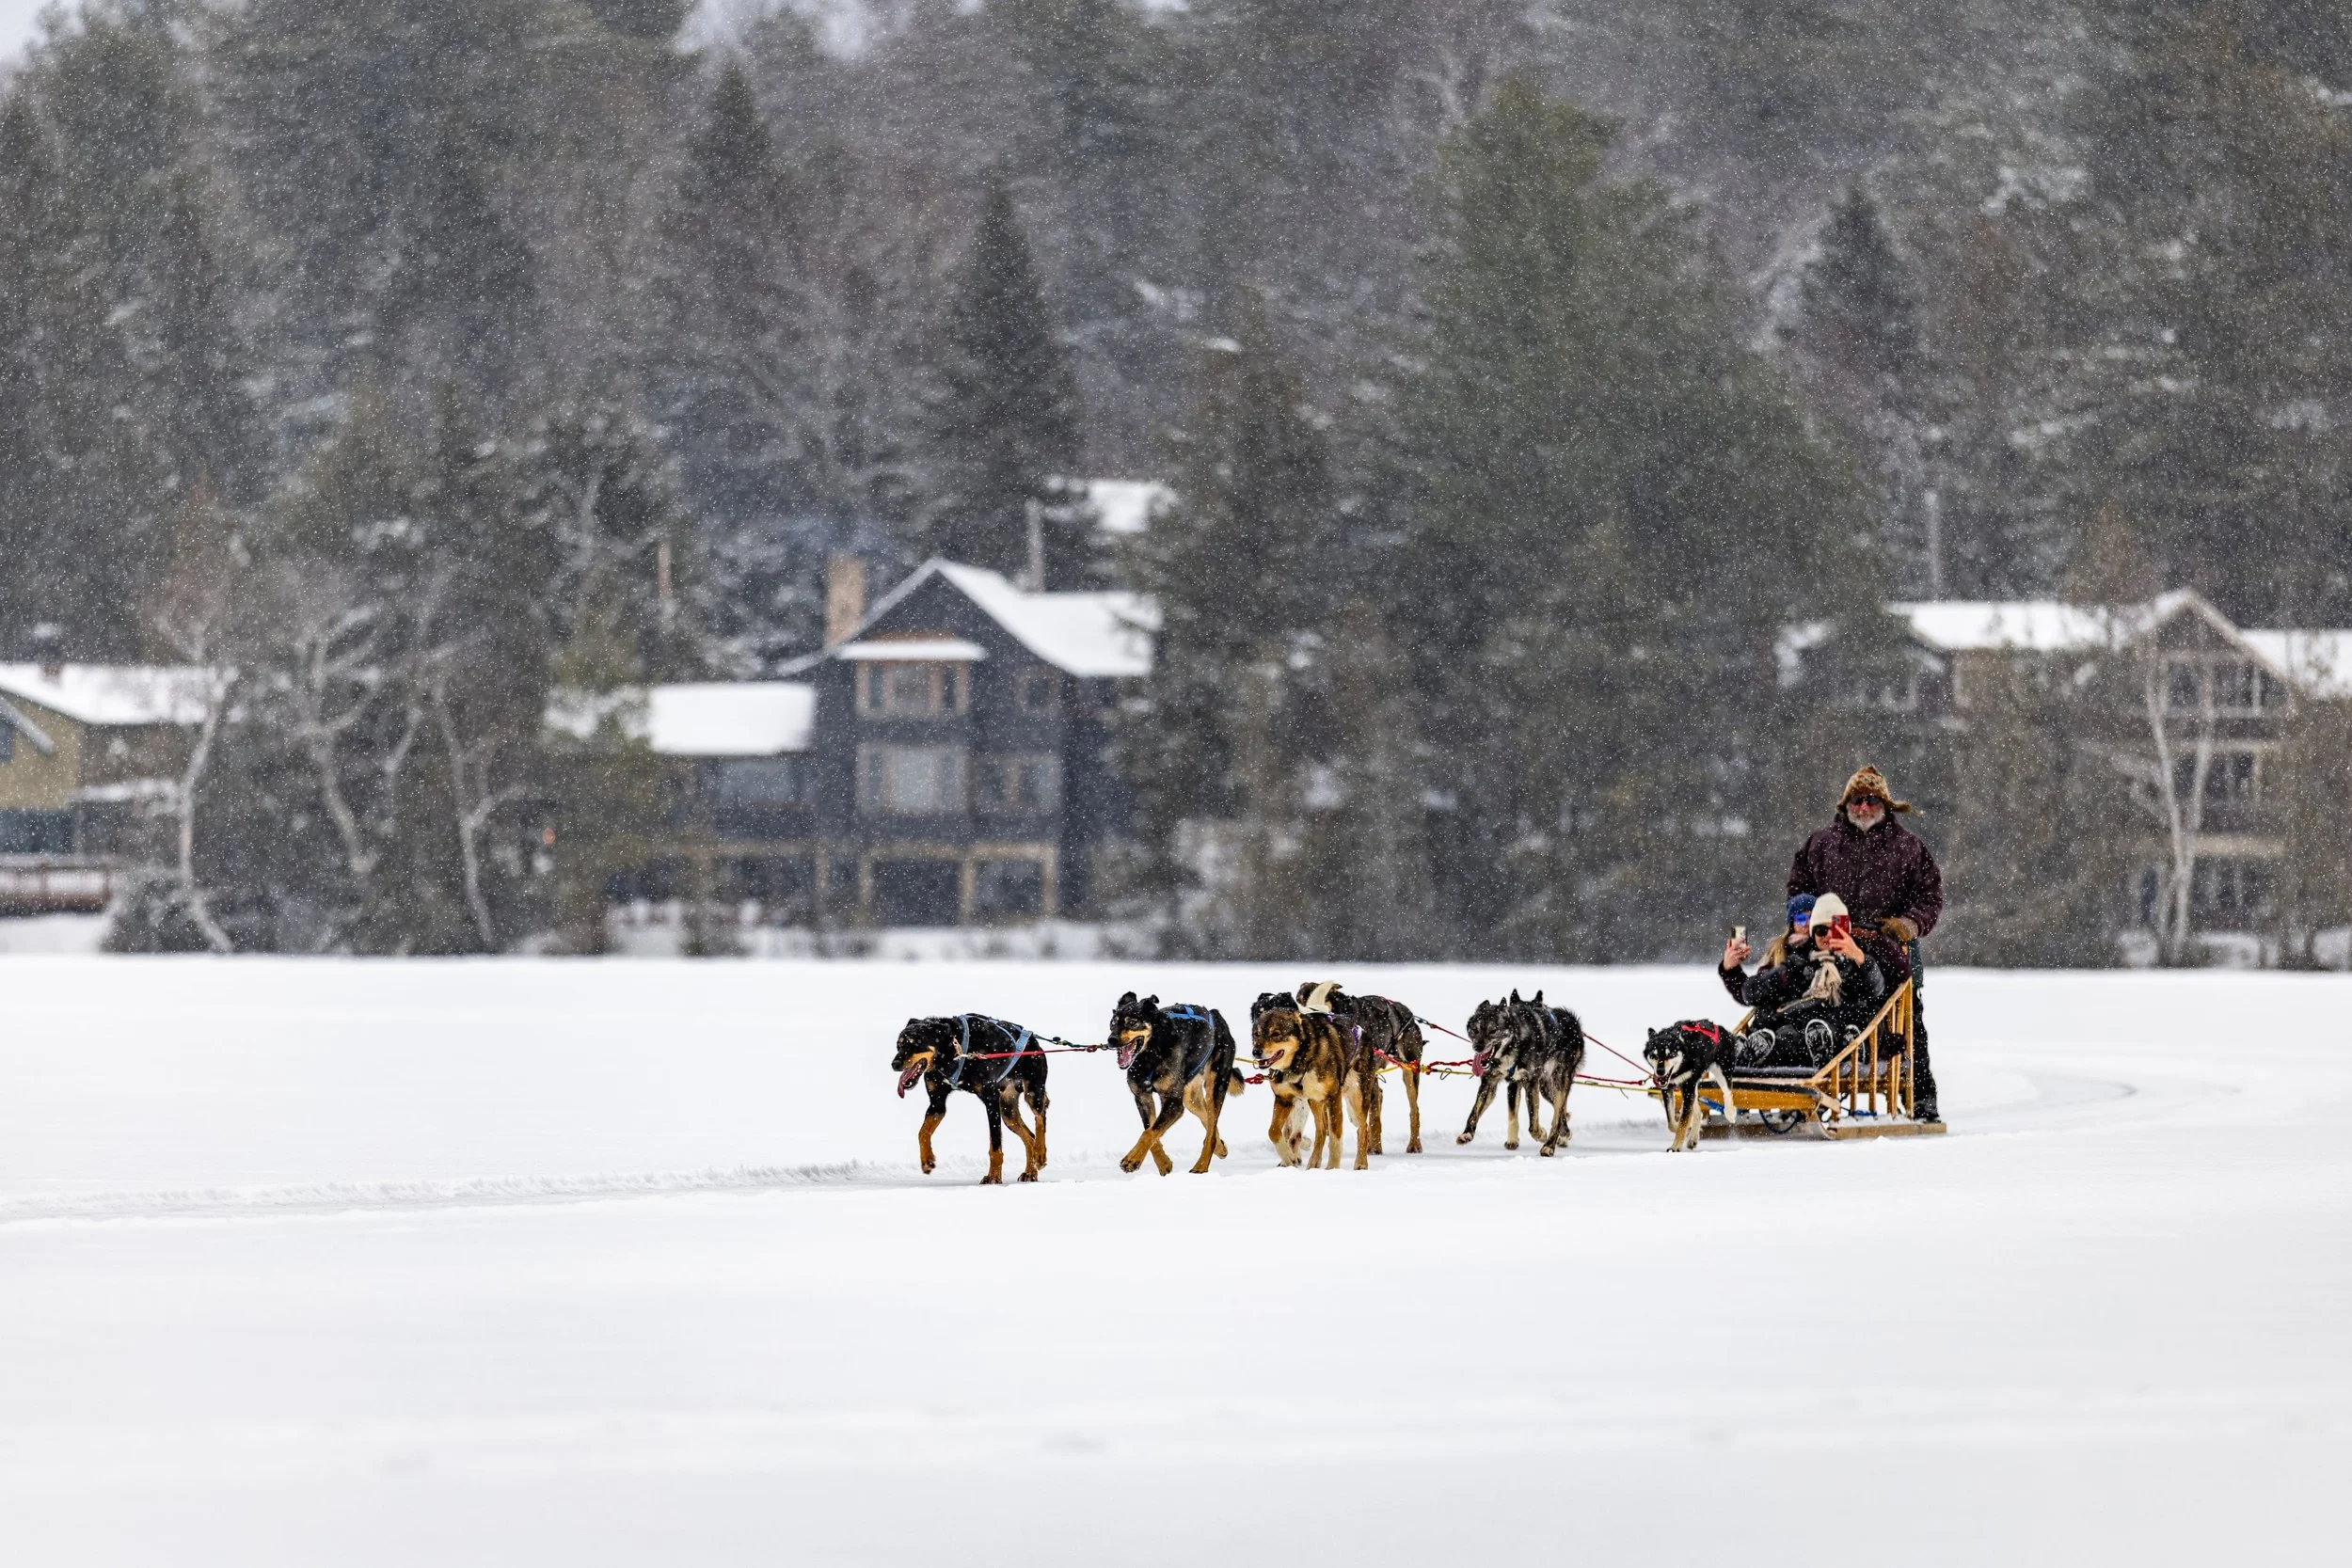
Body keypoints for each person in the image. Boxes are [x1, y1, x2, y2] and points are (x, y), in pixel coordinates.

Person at [1787, 765, 1944, 1123]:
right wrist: (1808, 922)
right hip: (1829, 947)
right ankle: (1797, 1084)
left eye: (1871, 800)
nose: (1864, 807)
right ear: (1845, 805)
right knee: (1811, 1010)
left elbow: (1931, 896)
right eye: (1857, 800)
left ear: (1885, 804)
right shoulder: (1820, 844)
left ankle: (1921, 1097)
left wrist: (1909, 924)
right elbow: (1798, 891)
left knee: (1908, 1023)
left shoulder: (1909, 848)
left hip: (1890, 949)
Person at [1720, 894, 1883, 1064]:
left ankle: (1833, 1044)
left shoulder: (1858, 955)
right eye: (1821, 930)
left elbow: (1875, 989)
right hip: (1796, 1023)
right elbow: (1753, 992)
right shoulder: (1797, 958)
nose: (1828, 936)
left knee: (1850, 1015)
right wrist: (1731, 970)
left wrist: (1858, 957)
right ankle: (1757, 1047)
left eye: (1835, 928)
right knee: (1789, 1028)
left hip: (1837, 1023)